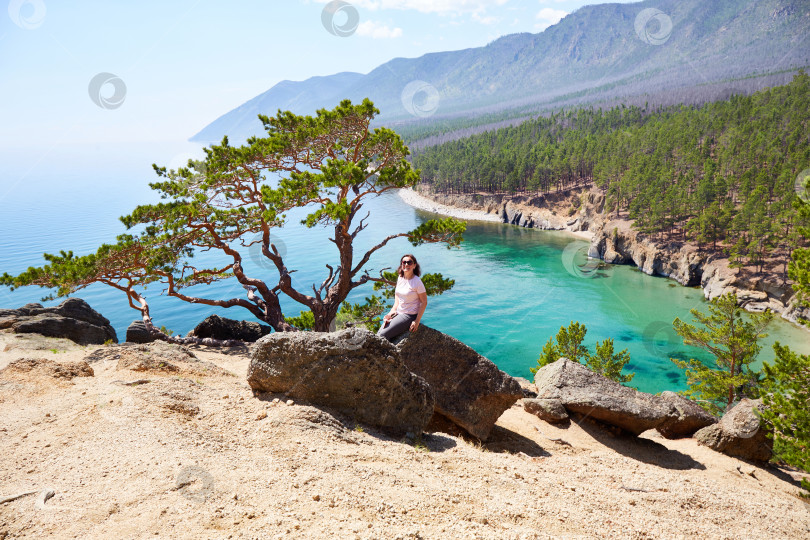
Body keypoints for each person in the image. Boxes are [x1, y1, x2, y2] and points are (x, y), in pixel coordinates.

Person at [378, 254, 427, 342]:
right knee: (378, 333)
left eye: (409, 262)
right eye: (404, 262)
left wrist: (417, 321)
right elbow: (397, 298)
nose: (406, 264)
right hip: (398, 313)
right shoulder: (400, 278)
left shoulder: (417, 282)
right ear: (401, 264)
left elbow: (424, 302)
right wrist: (390, 313)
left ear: (414, 265)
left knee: (382, 335)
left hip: (409, 315)